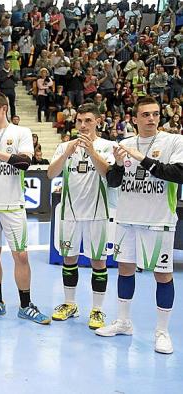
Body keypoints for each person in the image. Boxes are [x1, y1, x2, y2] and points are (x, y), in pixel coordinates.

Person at [98, 96, 183, 354]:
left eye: (155, 114)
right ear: (134, 118)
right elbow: (114, 181)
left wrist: (142, 159)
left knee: (162, 275)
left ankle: (162, 331)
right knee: (125, 270)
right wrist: (115, 163)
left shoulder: (174, 141)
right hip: (127, 219)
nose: (151, 119)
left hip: (159, 221)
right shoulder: (124, 143)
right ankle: (124, 322)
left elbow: (179, 173)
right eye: (145, 114)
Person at [0, 92, 50, 325]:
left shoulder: (20, 132)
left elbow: (25, 163)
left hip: (13, 204)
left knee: (21, 255)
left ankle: (26, 305)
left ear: (4, 109)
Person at [47, 103, 118, 329]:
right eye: (79, 121)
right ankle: (70, 304)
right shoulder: (65, 147)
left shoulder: (108, 146)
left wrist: (90, 151)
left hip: (97, 213)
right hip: (70, 213)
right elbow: (51, 173)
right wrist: (68, 151)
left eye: (88, 120)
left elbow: (109, 173)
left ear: (98, 121)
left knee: (98, 260)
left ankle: (97, 310)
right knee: (69, 258)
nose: (83, 125)